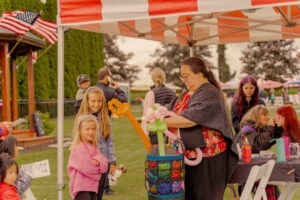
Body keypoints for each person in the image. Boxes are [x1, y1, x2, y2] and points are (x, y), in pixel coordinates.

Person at [162, 57, 239, 200]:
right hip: (189, 158)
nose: (183, 80)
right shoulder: (187, 93)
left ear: (200, 73)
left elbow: (190, 119)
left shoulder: (209, 92)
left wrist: (163, 122)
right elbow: (170, 111)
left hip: (208, 160)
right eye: (182, 77)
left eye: (186, 76)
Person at [236, 105, 283, 199]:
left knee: (269, 179)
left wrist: (278, 128)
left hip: (253, 169)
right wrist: (270, 127)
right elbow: (257, 146)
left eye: (268, 114)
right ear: (255, 116)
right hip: (246, 173)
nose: (268, 117)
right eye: (264, 115)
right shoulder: (247, 130)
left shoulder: (257, 129)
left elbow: (269, 140)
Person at [75, 87, 114, 199]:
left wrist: (112, 162)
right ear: (87, 101)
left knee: (98, 195)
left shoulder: (105, 119)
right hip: (88, 166)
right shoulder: (82, 119)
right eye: (93, 101)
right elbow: (79, 144)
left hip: (102, 166)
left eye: (99, 101)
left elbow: (110, 142)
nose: (96, 104)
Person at [68, 114, 108, 200]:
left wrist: (97, 161)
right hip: (81, 187)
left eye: (93, 129)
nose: (91, 132)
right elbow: (87, 168)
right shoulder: (78, 147)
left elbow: (105, 164)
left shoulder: (94, 146)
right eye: (87, 129)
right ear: (80, 130)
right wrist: (98, 169)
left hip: (92, 187)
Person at [142, 67, 176, 144]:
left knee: (157, 154)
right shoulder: (172, 92)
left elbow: (147, 115)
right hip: (171, 130)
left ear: (152, 78)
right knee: (171, 154)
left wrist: (144, 133)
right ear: (164, 77)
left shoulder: (151, 93)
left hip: (156, 131)